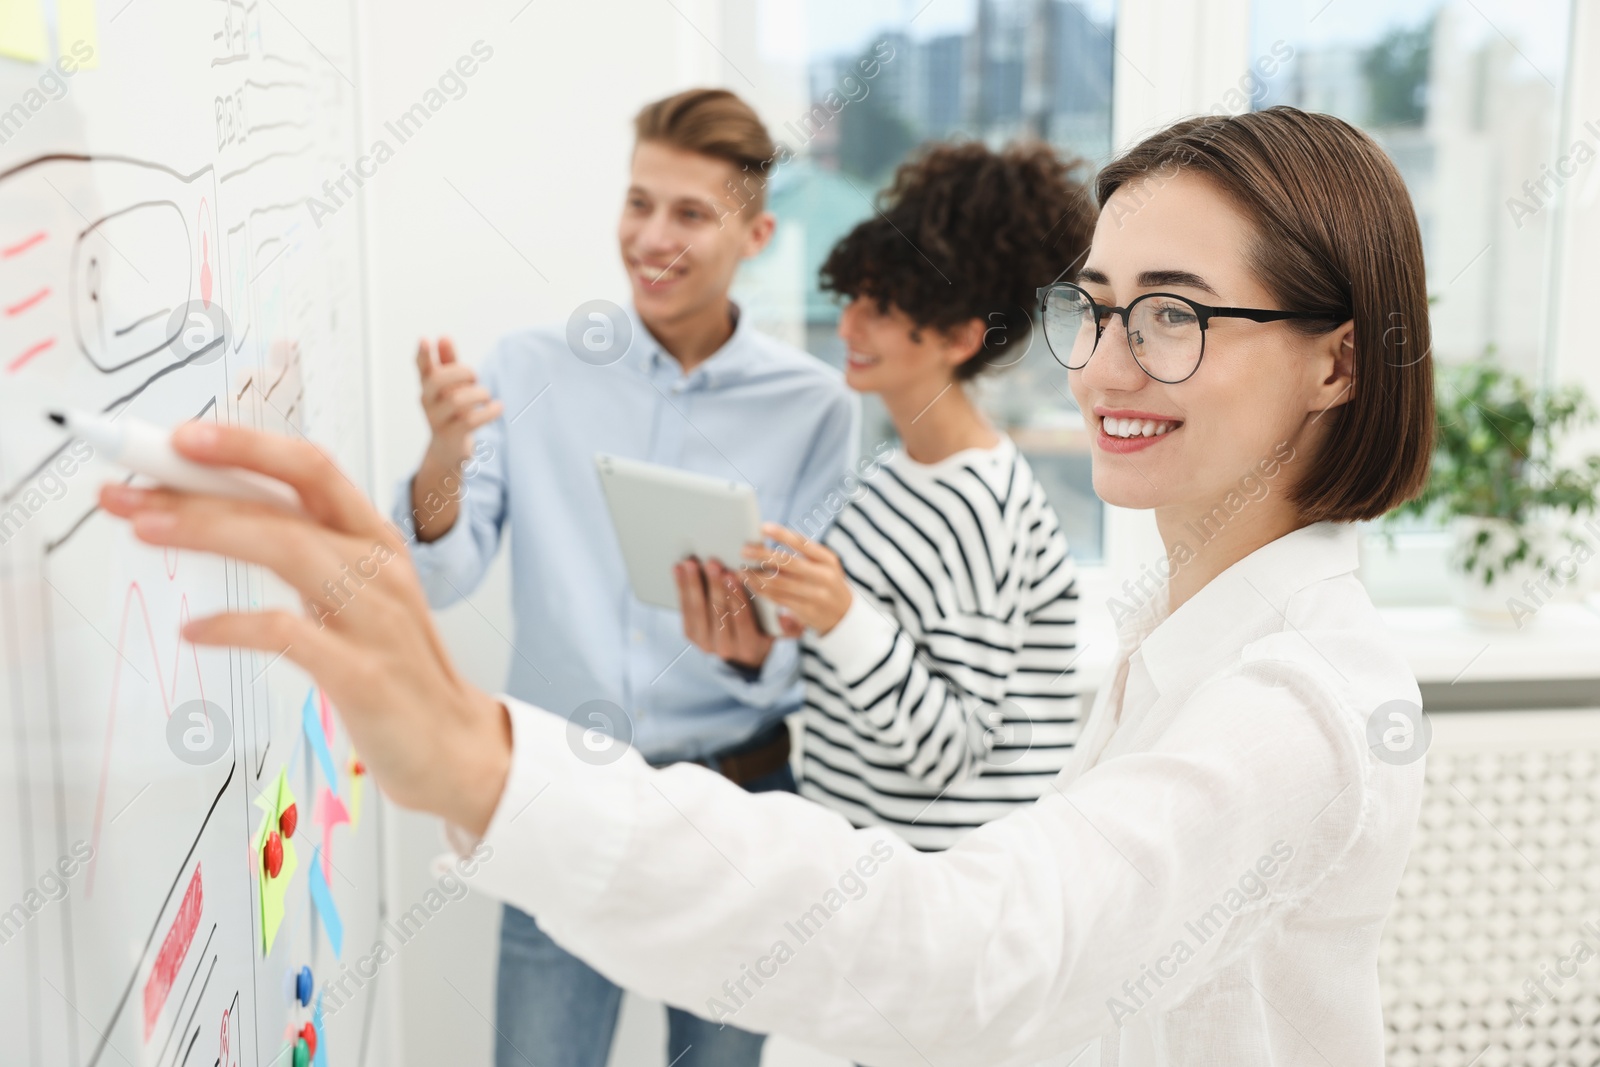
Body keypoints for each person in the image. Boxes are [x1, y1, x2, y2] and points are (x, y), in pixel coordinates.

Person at [101, 106, 1436, 1064]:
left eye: (1175, 316)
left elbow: (987, 937)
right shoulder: (1162, 629)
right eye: (1097, 307)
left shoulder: (1296, 705)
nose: (1101, 367)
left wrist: (485, 762)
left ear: (1337, 360)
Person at [394, 88, 857, 1067]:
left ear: (756, 232)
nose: (651, 236)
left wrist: (747, 652)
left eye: (689, 212)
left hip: (734, 805)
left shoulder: (814, 407)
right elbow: (441, 570)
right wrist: (443, 452)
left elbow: (807, 633)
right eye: (637, 202)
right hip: (559, 794)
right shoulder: (526, 367)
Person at [674, 142, 1096, 851]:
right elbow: (858, 678)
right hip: (862, 875)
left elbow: (946, 751)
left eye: (880, 308)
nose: (847, 327)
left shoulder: (980, 506)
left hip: (942, 898)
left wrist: (839, 613)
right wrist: (753, 648)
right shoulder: (890, 477)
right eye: (852, 298)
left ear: (961, 336)